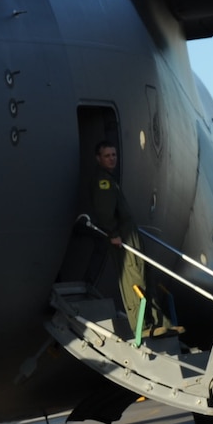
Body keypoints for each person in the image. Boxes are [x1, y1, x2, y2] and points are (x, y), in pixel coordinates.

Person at [86, 140, 150, 337]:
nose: (112, 159)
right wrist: (113, 234)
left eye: (114, 155)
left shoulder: (109, 178)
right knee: (133, 278)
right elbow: (105, 211)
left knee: (140, 275)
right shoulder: (103, 180)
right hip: (121, 237)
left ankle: (150, 322)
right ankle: (141, 326)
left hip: (128, 234)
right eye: (107, 156)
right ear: (98, 158)